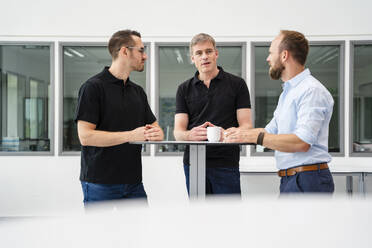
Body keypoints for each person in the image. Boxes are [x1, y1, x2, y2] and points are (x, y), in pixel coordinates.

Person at [225, 30, 335, 194]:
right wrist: (234, 134)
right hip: (292, 179)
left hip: (308, 180)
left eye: (271, 53)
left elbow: (302, 142)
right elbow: (269, 132)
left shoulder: (311, 91)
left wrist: (255, 137)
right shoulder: (289, 92)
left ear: (284, 55)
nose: (268, 59)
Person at [75, 30, 164, 205]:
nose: (145, 56)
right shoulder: (93, 88)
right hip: (99, 183)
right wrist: (132, 135)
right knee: (101, 233)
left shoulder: (137, 92)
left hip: (133, 183)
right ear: (125, 51)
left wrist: (156, 134)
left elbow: (156, 129)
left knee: (141, 232)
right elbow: (85, 137)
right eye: (140, 50)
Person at [174, 33, 253, 196]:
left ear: (216, 54)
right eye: (199, 53)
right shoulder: (184, 89)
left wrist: (228, 134)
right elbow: (178, 132)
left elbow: (246, 126)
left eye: (208, 51)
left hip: (226, 162)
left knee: (229, 216)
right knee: (199, 217)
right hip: (194, 164)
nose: (204, 57)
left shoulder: (237, 85)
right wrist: (189, 135)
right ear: (192, 58)